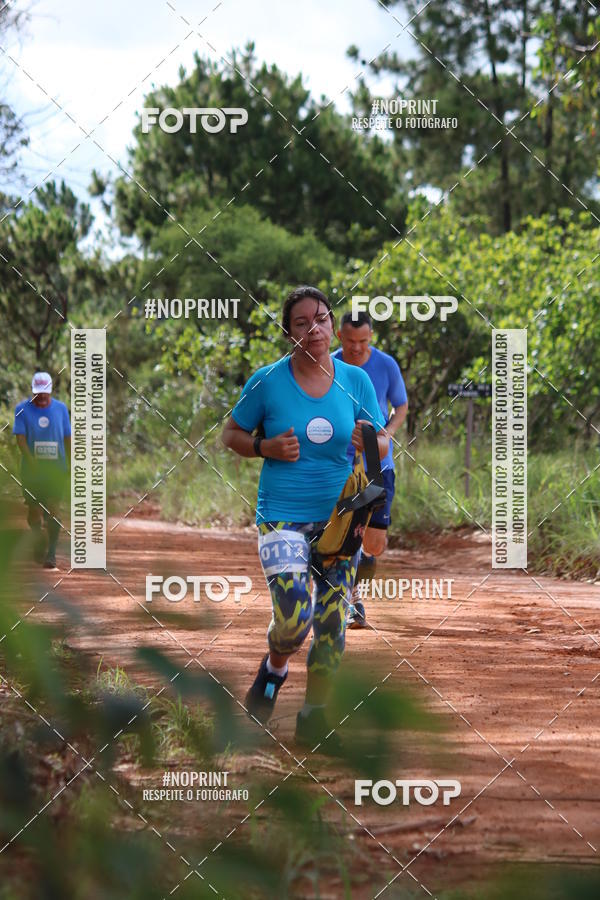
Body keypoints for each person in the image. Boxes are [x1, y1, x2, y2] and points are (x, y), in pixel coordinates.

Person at [222, 286, 388, 753]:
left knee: (333, 622)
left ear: (332, 326)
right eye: (301, 322)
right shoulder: (267, 382)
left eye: (320, 319)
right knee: (294, 618)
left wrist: (368, 441)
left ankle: (315, 714)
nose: (312, 328)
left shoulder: (356, 382)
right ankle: (275, 667)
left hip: (341, 519)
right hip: (282, 518)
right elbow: (229, 434)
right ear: (288, 332)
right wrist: (264, 447)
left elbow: (382, 448)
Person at [332, 310, 408, 628]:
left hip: (377, 460)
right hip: (339, 460)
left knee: (372, 542)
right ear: (340, 337)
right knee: (345, 532)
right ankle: (352, 600)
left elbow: (400, 405)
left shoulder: (385, 364)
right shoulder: (330, 365)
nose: (357, 348)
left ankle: (365, 559)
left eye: (363, 341)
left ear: (371, 337)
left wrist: (384, 435)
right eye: (351, 342)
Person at [13, 372, 71, 569]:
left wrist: (71, 463)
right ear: (33, 392)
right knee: (35, 509)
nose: (42, 398)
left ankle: (52, 553)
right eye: (38, 394)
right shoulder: (22, 409)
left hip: (56, 469)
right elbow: (20, 438)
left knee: (54, 507)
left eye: (45, 393)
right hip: (32, 471)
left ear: (50, 391)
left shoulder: (61, 409)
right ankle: (38, 539)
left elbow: (67, 437)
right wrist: (31, 461)